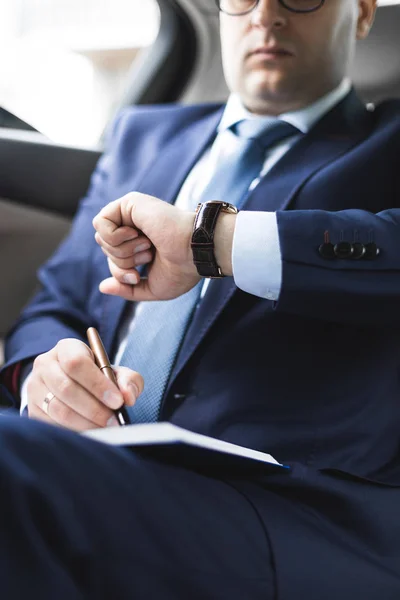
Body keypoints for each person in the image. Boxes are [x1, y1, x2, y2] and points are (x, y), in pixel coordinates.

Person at [0, 0, 400, 597]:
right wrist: (45, 378)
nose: (266, 16)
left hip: (290, 508)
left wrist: (211, 242)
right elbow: (59, 299)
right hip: (96, 459)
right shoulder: (146, 133)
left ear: (362, 14)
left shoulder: (388, 142)